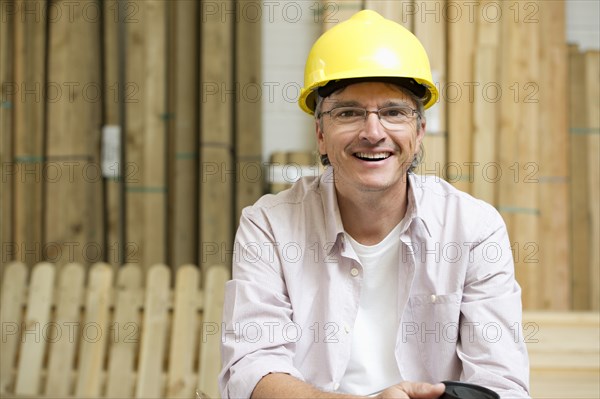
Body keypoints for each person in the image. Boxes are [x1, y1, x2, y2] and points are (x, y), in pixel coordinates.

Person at [219, 10, 530, 399]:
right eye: (348, 113)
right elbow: (250, 370)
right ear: (320, 134)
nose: (372, 132)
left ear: (418, 133)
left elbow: (501, 383)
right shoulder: (269, 225)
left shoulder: (473, 229)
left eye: (393, 113)